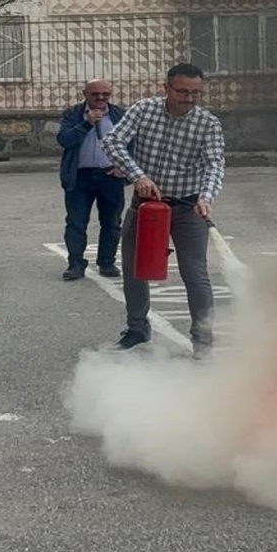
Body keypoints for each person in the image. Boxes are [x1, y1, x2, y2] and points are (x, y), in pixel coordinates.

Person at [101, 63, 226, 360]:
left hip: (189, 207)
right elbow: (112, 141)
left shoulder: (208, 123)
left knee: (195, 274)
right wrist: (139, 176)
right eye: (182, 91)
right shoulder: (144, 110)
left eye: (196, 93)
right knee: (135, 269)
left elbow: (214, 164)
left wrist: (206, 197)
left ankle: (203, 341)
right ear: (166, 87)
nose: (189, 98)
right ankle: (136, 329)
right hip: (146, 207)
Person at [56, 78, 129, 281]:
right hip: (80, 177)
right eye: (95, 94)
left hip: (110, 176)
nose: (101, 98)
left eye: (105, 94)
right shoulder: (73, 114)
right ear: (85, 94)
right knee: (76, 222)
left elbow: (134, 142)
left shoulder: (119, 115)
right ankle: (76, 264)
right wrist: (87, 123)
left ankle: (107, 262)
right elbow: (64, 140)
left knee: (112, 222)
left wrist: (124, 168)